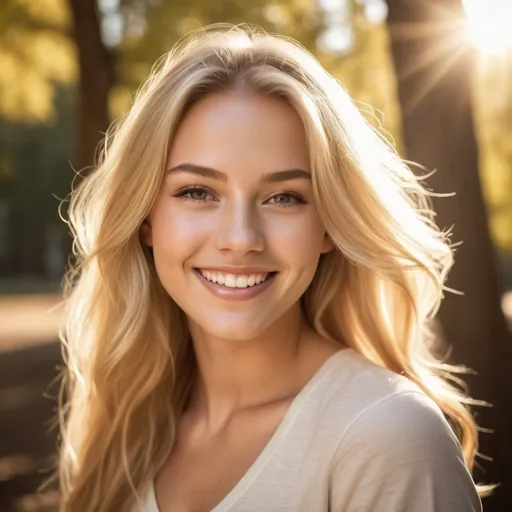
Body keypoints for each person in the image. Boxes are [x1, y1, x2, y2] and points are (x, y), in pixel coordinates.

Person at [57, 24, 487, 512]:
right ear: (146, 219)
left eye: (285, 197)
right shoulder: (126, 428)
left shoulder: (386, 436)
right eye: (197, 192)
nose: (240, 239)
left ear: (329, 224)